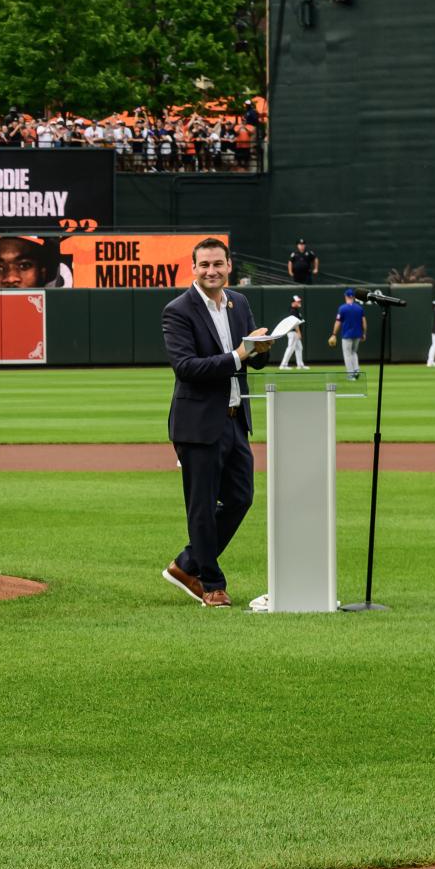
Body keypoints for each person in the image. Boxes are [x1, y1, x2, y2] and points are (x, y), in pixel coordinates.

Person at [160, 238, 274, 609]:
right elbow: (187, 367)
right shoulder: (178, 310)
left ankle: (187, 564)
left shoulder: (239, 302)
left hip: (235, 418)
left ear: (229, 266)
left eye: (218, 264)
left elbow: (250, 361)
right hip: (197, 423)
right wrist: (240, 354)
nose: (212, 271)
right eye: (204, 264)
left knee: (241, 498)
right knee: (202, 506)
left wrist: (262, 349)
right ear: (192, 267)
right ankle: (211, 582)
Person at [331, 288, 365, 379]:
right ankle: (356, 370)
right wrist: (364, 333)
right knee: (354, 352)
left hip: (347, 335)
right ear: (353, 297)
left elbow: (338, 322)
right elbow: (364, 322)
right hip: (358, 334)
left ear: (345, 296)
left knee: (347, 354)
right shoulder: (359, 308)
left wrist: (334, 334)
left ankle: (350, 375)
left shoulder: (342, 308)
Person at [279, 294, 308, 369]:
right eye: (297, 301)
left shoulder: (295, 310)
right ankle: (283, 365)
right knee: (290, 348)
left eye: (299, 301)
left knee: (299, 348)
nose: (299, 302)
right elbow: (295, 323)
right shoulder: (293, 311)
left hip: (294, 332)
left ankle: (300, 365)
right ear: (293, 302)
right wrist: (298, 332)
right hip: (293, 332)